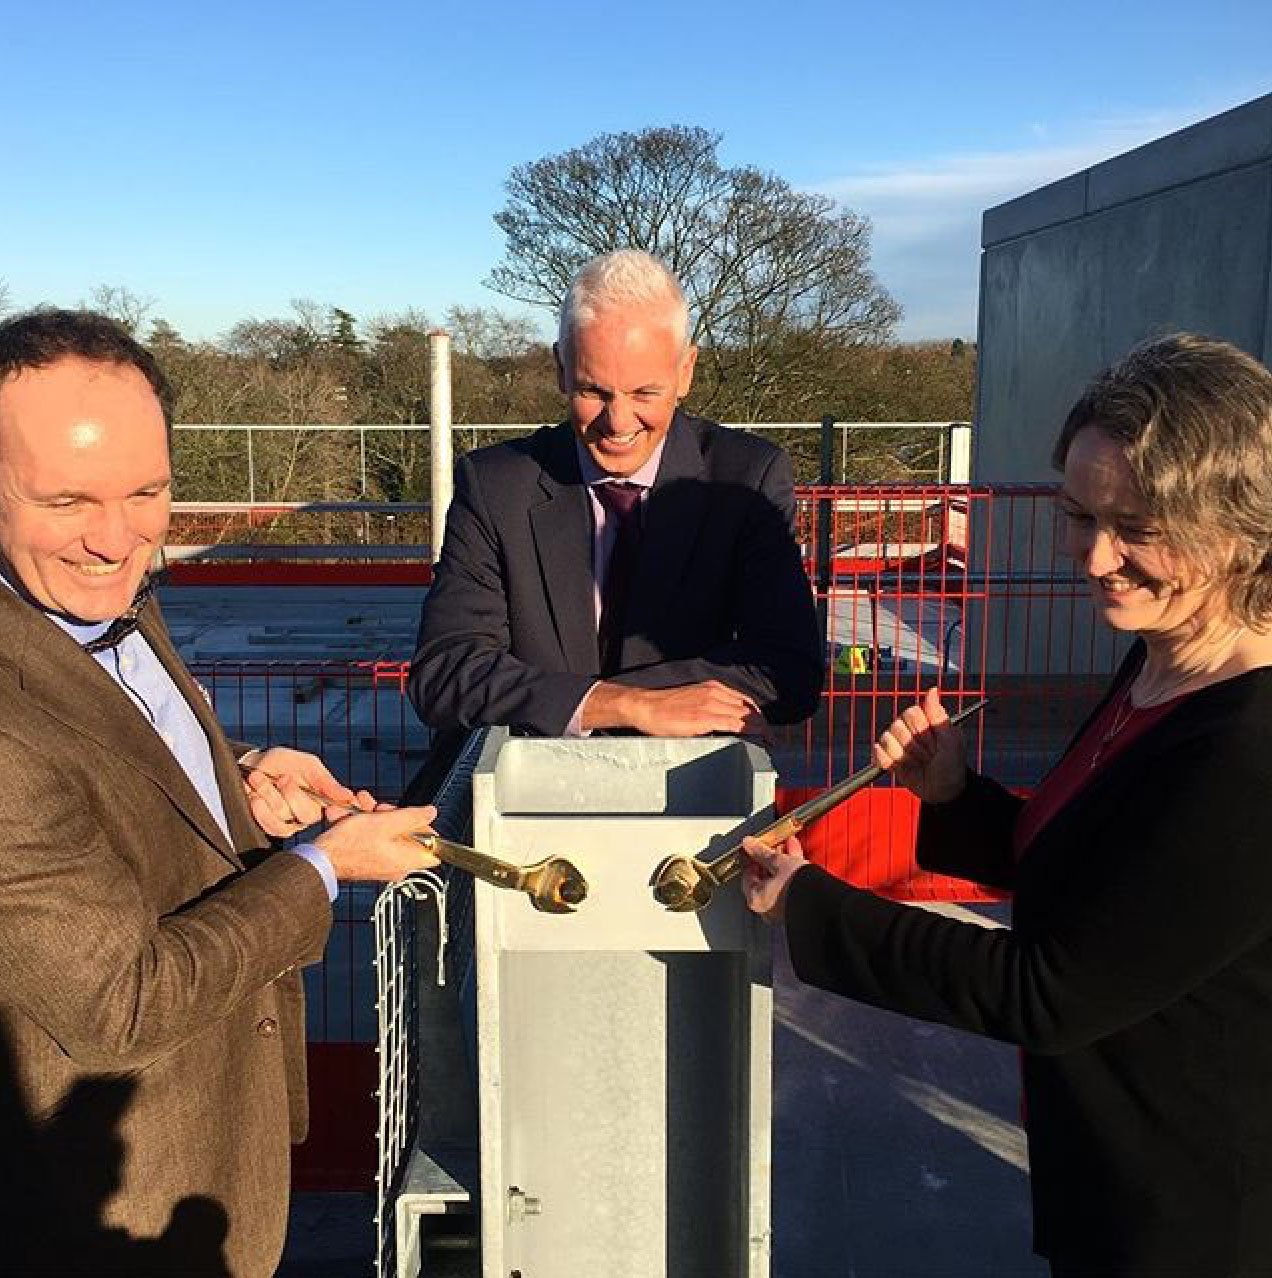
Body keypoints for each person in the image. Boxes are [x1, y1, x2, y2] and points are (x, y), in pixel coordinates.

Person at [742, 334, 1272, 1277]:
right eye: (1080, 514)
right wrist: (954, 793)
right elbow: (1103, 880)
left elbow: (1049, 991)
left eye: (1139, 526)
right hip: (1113, 1161)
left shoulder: (1248, 746)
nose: (1098, 557)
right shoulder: (1163, 658)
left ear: (1241, 524)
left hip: (1199, 1202)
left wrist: (811, 905)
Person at [0, 309, 440, 1277]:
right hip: (116, 1214)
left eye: (148, 491)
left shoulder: (112, 604)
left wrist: (234, 778)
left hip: (222, 1145)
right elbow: (119, 1003)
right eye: (67, 500)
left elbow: (108, 749)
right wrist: (324, 867)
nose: (118, 540)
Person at [408, 249, 822, 779]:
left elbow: (788, 669)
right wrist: (625, 705)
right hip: (515, 800)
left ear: (686, 370)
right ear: (560, 367)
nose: (618, 420)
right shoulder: (494, 485)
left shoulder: (746, 479)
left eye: (645, 392)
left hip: (682, 794)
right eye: (592, 391)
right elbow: (445, 671)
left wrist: (580, 701)